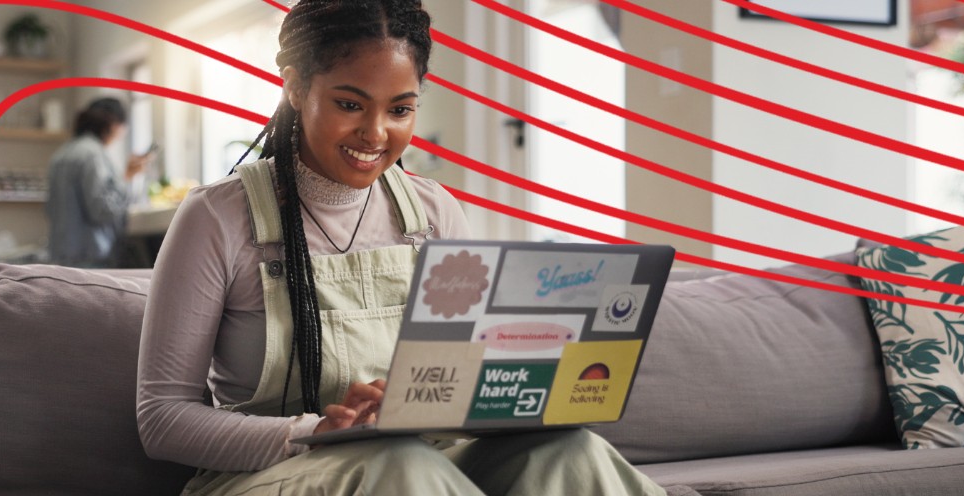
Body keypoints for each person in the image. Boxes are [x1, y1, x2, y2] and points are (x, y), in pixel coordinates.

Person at [136, 1, 666, 494]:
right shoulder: (217, 217)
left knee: (567, 451)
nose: (375, 133)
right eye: (350, 104)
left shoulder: (433, 212)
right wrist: (317, 428)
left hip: (423, 463)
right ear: (294, 88)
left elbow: (468, 380)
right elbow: (161, 417)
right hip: (270, 475)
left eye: (400, 109)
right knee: (402, 463)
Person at [44, 97, 151, 267]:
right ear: (115, 125)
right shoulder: (93, 154)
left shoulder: (61, 155)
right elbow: (102, 209)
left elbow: (51, 208)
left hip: (60, 256)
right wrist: (128, 179)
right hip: (89, 258)